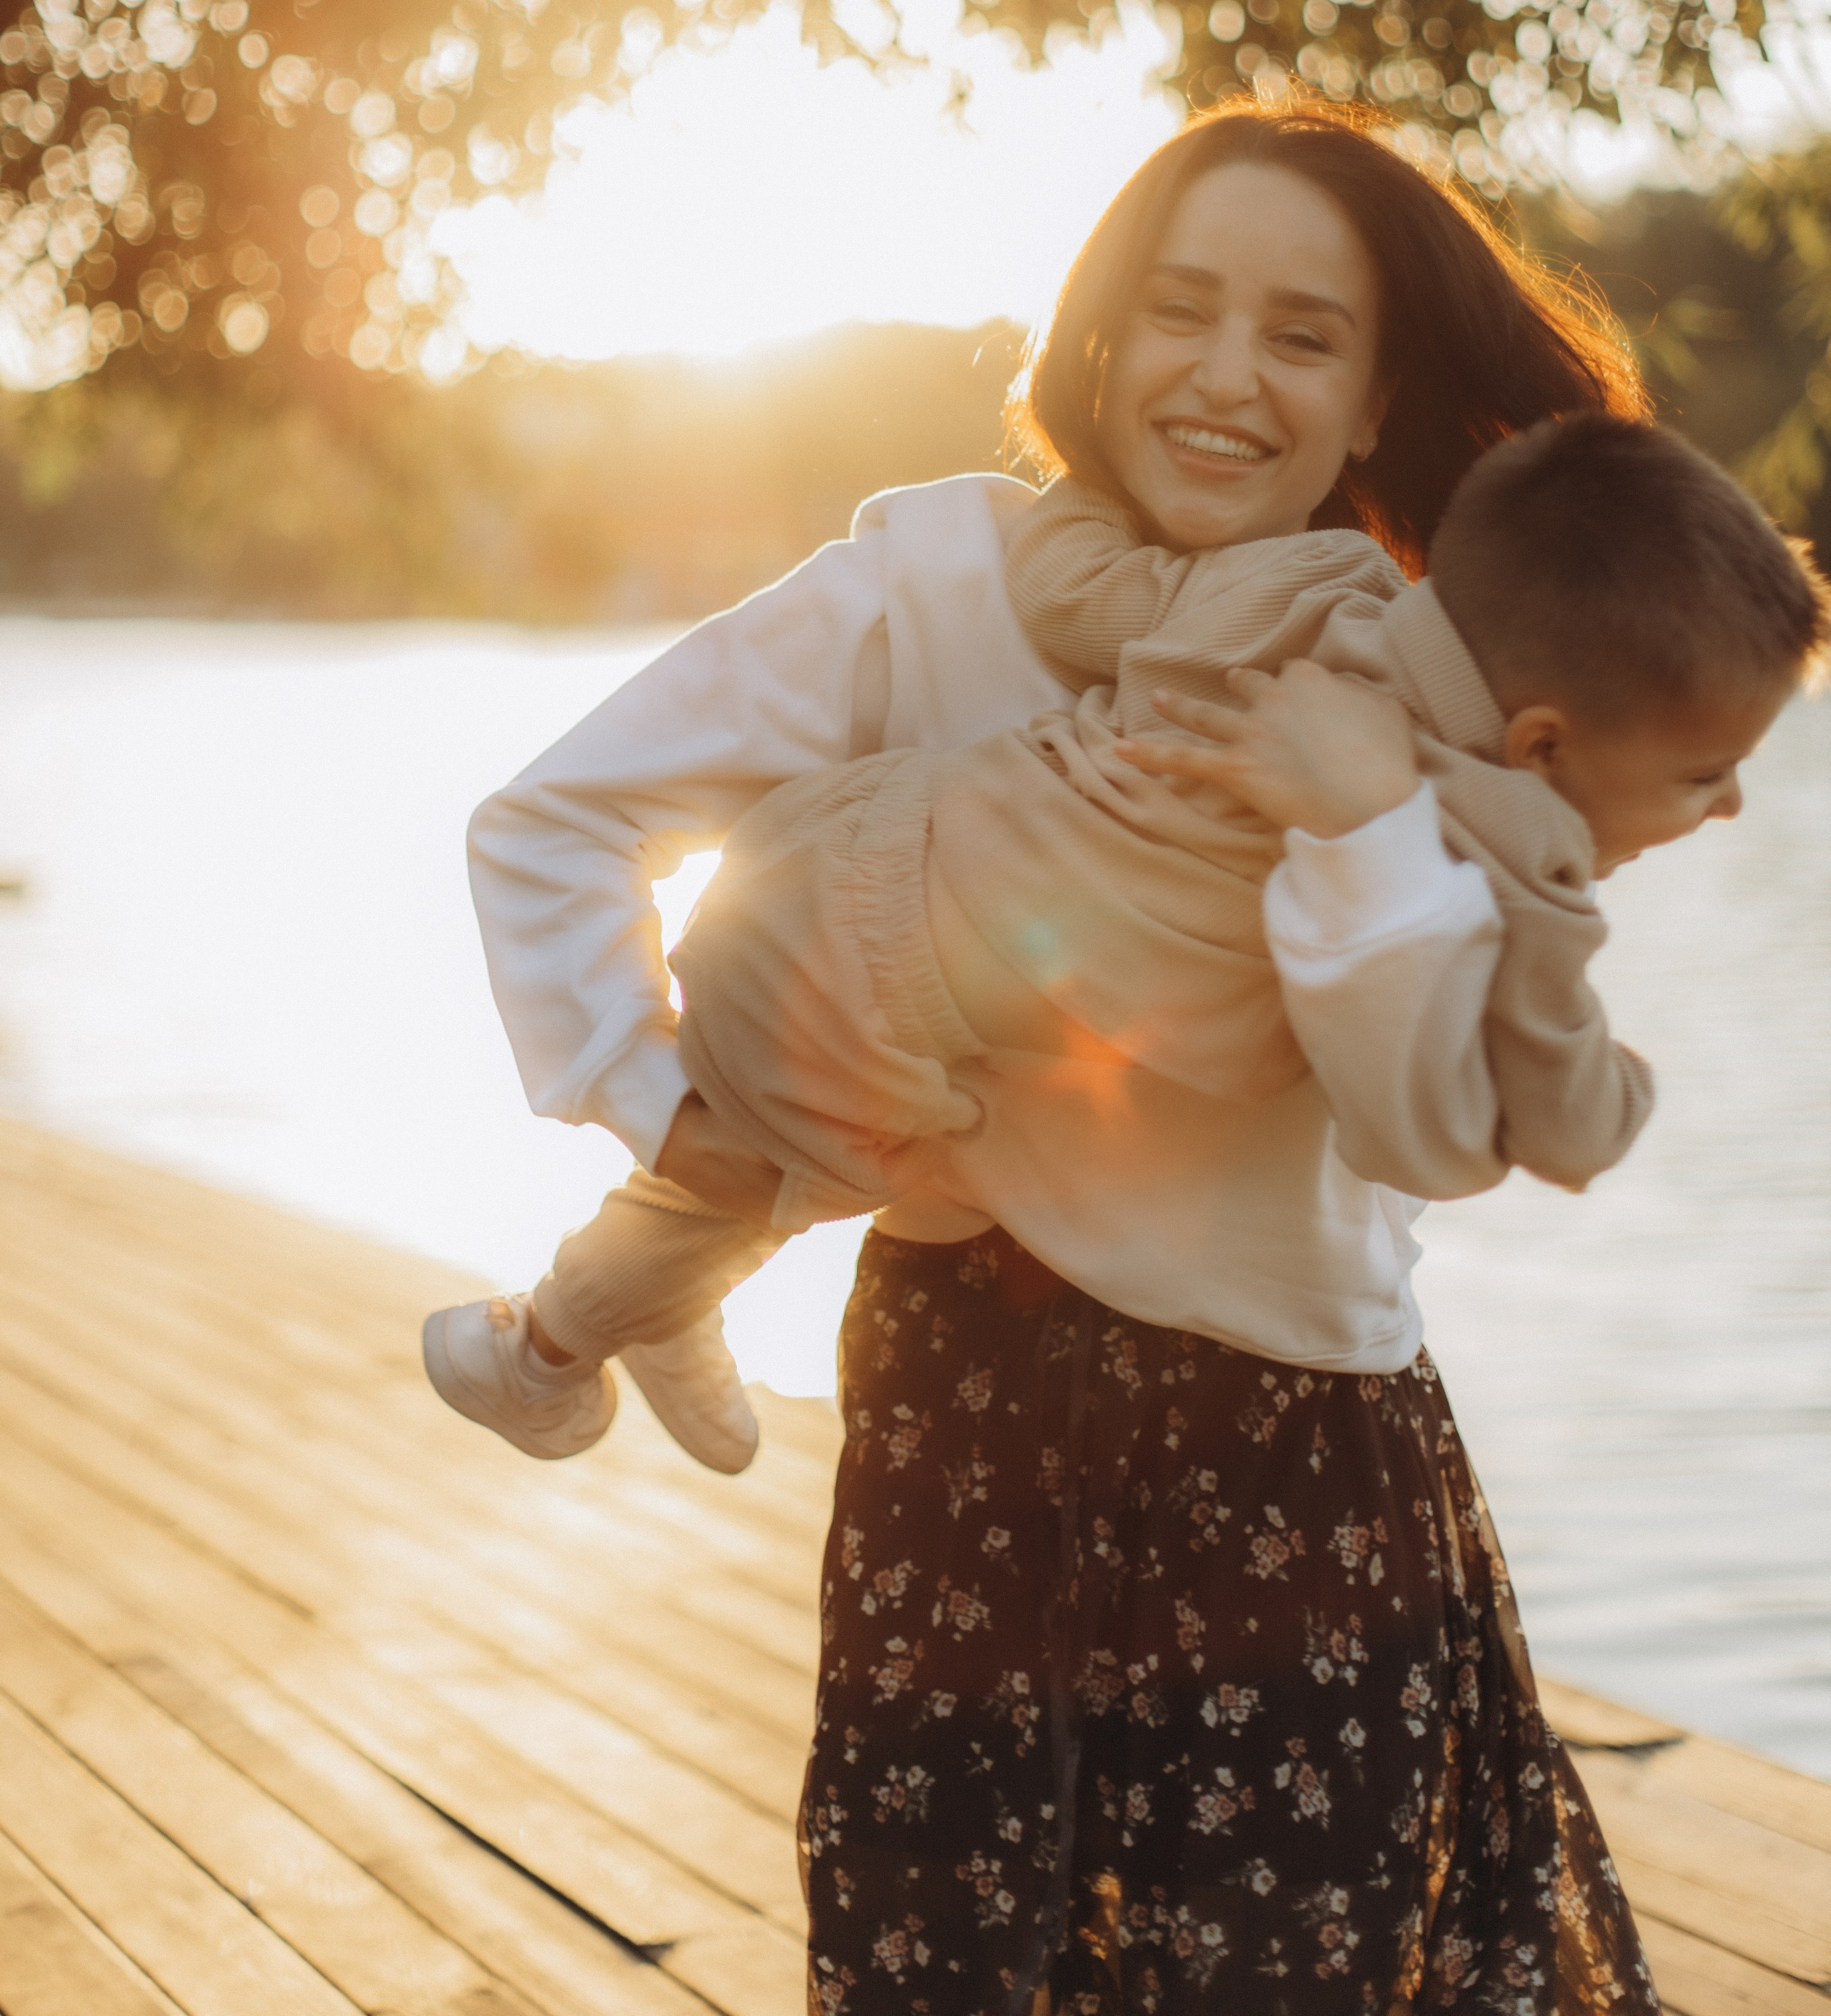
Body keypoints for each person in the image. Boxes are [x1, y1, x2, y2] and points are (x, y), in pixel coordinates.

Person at [459, 101, 1712, 2006]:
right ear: (1103, 337)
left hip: (1303, 1456)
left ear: (1374, 399)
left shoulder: (1415, 674)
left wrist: (1366, 819)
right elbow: (554, 825)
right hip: (966, 1426)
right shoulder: (930, 578)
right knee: (944, 1971)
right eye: (1181, 311)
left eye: (1301, 335)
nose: (1225, 376)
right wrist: (681, 1120)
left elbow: (1426, 1124)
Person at [428, 412, 1822, 1419]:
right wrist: (1626, 1089)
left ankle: (651, 1297)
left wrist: (1096, 478)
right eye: (1705, 774)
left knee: (780, 1149)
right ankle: (543, 1353)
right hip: (886, 1004)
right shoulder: (1509, 839)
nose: (1726, 809)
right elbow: (1553, 1116)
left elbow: (1070, 586)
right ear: (1539, 744)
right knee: (832, 1155)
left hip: (825, 847)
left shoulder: (1310, 580)